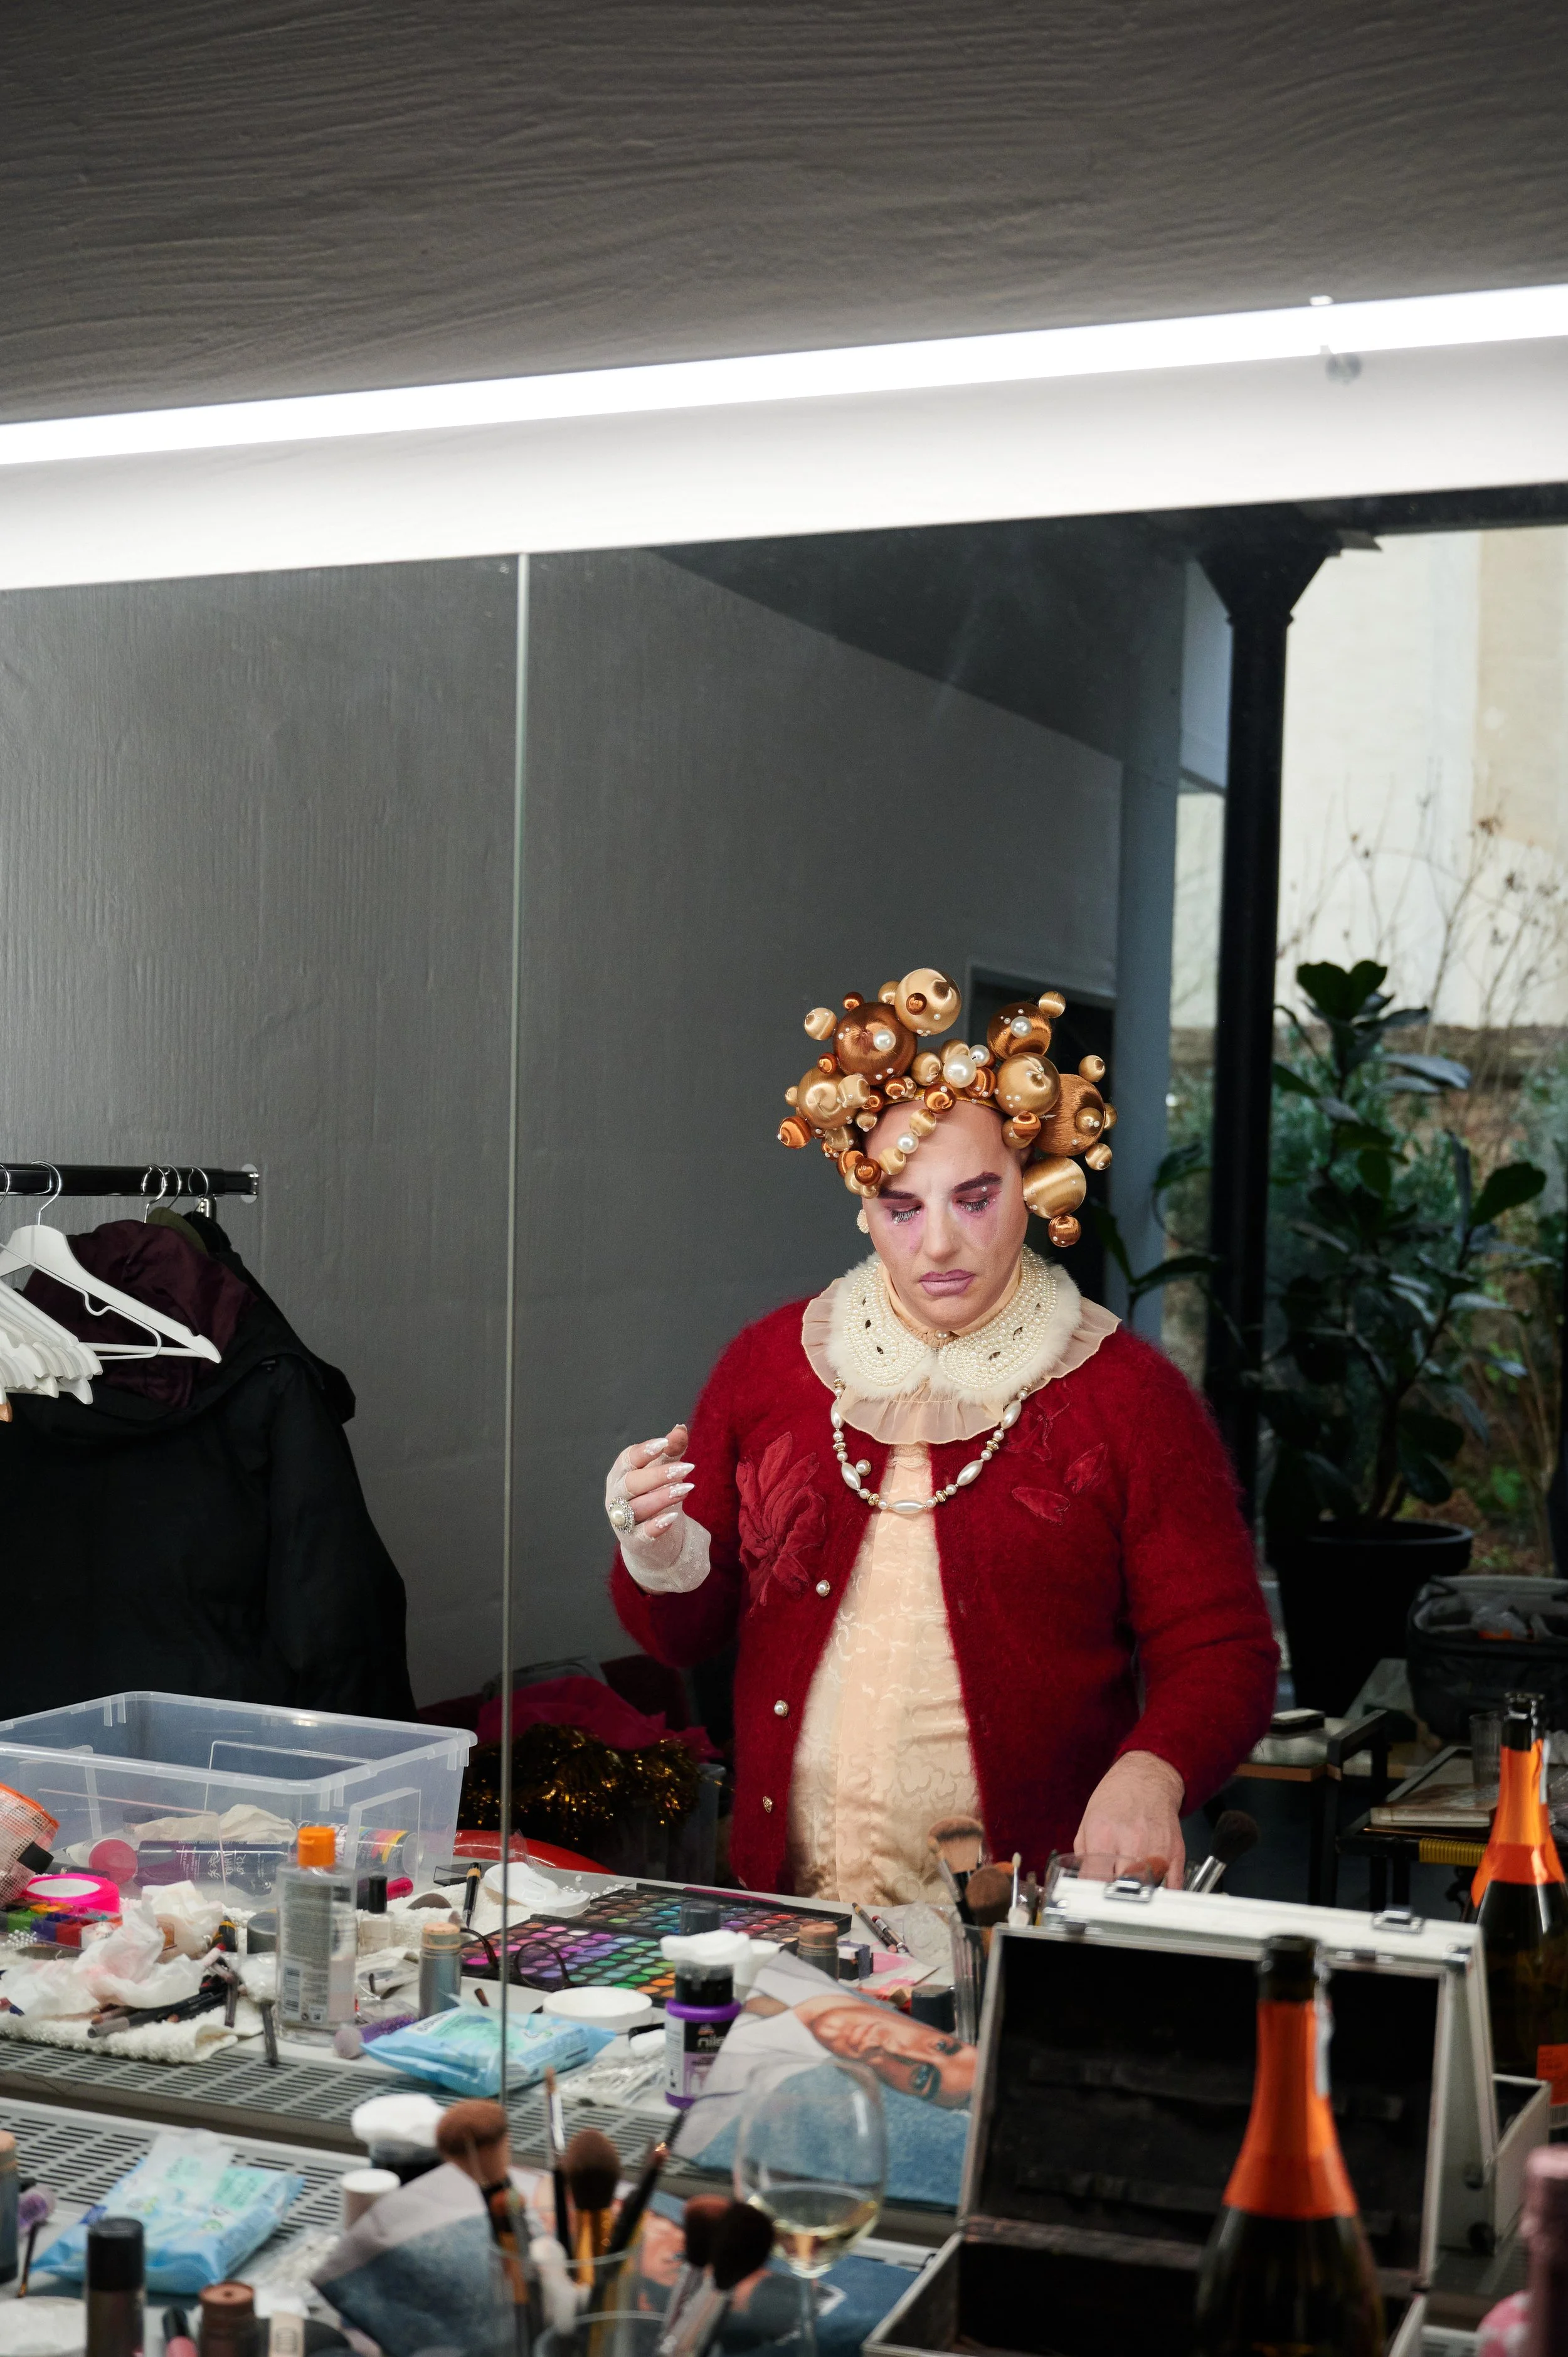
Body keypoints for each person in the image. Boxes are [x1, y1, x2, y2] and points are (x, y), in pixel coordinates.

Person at [608, 968, 1277, 1905]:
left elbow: (1224, 1647)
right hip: (794, 1907)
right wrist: (661, 1550)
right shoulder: (768, 1367)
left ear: (1035, 1185)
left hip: (1027, 1917)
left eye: (974, 1198)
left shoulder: (1129, 1396)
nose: (939, 1248)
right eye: (902, 1208)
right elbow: (685, 1639)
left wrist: (1153, 1767)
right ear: (864, 1206)